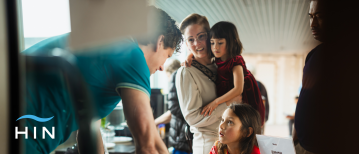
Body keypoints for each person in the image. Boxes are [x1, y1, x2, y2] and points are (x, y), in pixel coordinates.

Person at [21, 6, 182, 154]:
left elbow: (89, 132)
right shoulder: (132, 55)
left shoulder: (108, 46)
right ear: (160, 42)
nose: (162, 67)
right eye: (167, 56)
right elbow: (148, 146)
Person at [293, 0, 359, 153]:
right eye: (310, 16)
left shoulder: (351, 55)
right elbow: (304, 96)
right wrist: (294, 138)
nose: (312, 24)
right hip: (302, 146)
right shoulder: (312, 55)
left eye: (319, 16)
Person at [176, 14, 238, 154]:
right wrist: (227, 103)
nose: (197, 44)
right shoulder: (186, 72)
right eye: (190, 40)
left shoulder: (221, 65)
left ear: (210, 36)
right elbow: (192, 117)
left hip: (232, 145)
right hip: (209, 145)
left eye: (201, 36)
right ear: (186, 44)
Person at [197, 21, 265, 127]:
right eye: (212, 43)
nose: (215, 47)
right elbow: (199, 55)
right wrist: (189, 57)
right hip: (230, 100)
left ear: (231, 42)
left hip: (245, 97)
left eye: (220, 43)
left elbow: (238, 90)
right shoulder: (217, 59)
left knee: (245, 126)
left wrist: (215, 102)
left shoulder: (235, 61)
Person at [154, 59, 193, 154]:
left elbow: (174, 110)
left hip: (181, 140)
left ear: (169, 72)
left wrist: (154, 123)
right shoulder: (187, 77)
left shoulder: (175, 76)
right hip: (188, 138)